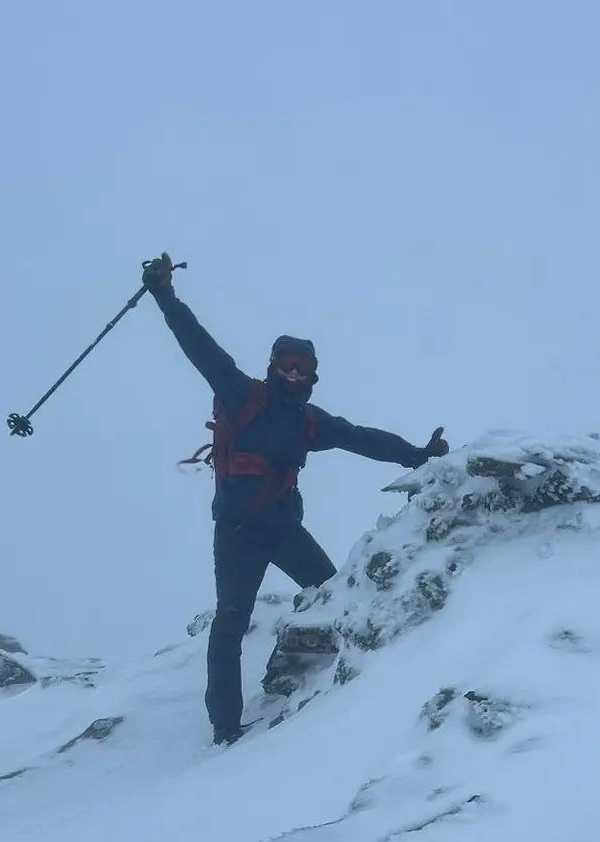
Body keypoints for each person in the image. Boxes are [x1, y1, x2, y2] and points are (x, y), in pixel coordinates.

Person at [141, 252, 449, 745]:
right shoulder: (243, 394)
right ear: (272, 366)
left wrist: (419, 456)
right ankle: (225, 728)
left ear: (312, 375)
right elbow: (197, 345)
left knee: (334, 594)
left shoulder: (311, 422)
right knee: (230, 623)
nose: (292, 373)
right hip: (239, 533)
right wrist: (163, 293)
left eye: (301, 367)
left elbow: (362, 438)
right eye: (285, 364)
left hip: (283, 529)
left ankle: (328, 681)